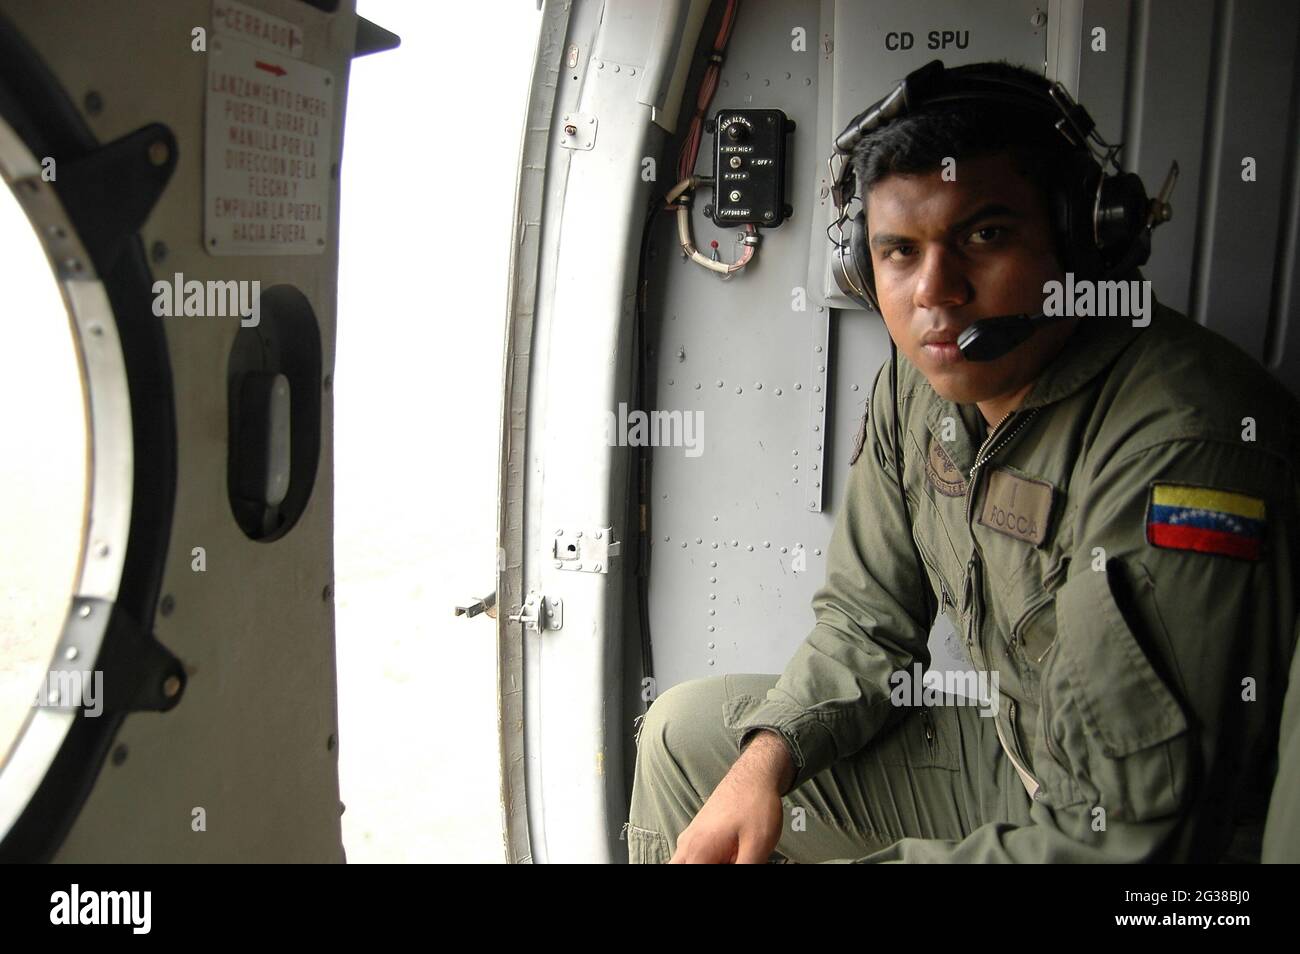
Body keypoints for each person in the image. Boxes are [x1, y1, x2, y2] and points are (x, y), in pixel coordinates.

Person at [626, 60, 1300, 863]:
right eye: (899, 252)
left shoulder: (1179, 447)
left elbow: (1130, 846)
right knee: (688, 740)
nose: (935, 292)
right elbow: (863, 623)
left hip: (1175, 851)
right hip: (1027, 764)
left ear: (1083, 242)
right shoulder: (918, 388)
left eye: (984, 235)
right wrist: (767, 760)